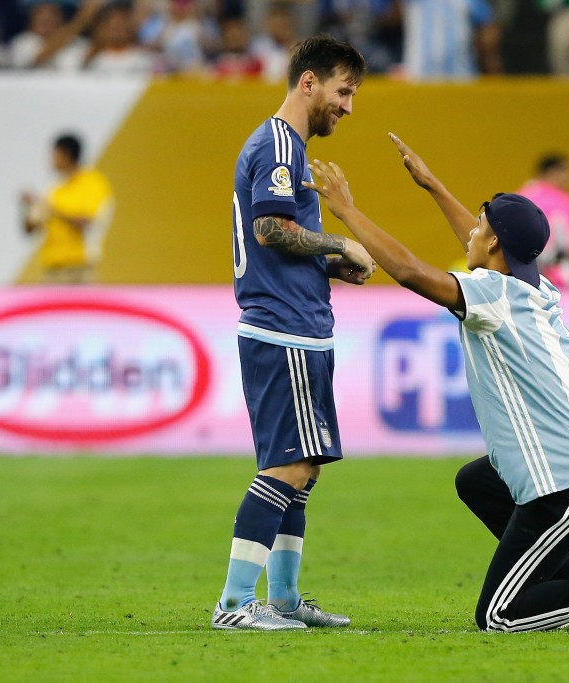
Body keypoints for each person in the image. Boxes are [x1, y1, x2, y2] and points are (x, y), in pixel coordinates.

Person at [303, 134, 569, 633]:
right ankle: (558, 581)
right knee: (477, 482)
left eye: (481, 227)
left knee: (499, 617)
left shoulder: (494, 294)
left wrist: (347, 210)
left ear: (497, 242)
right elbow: (482, 242)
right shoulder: (530, 283)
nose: (471, 234)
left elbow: (413, 272)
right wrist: (434, 187)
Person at [214, 35, 374, 632]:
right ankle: (234, 604)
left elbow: (280, 242)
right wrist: (339, 240)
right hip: (283, 330)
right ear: (308, 82)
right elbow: (269, 230)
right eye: (344, 91)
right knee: (286, 467)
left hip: (296, 322)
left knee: (302, 468)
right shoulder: (279, 145)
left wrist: (331, 266)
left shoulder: (285, 146)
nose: (348, 106)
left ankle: (282, 598)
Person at [20, 133, 115, 284]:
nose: (51, 161)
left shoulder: (93, 184)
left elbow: (84, 223)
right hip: (52, 271)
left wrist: (51, 209)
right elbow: (29, 229)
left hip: (80, 270)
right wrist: (26, 206)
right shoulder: (54, 190)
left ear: (66, 155)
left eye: (54, 155)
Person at [516, 153, 569, 287]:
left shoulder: (518, 198)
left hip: (521, 277)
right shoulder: (564, 202)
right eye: (566, 173)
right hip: (559, 278)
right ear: (552, 173)